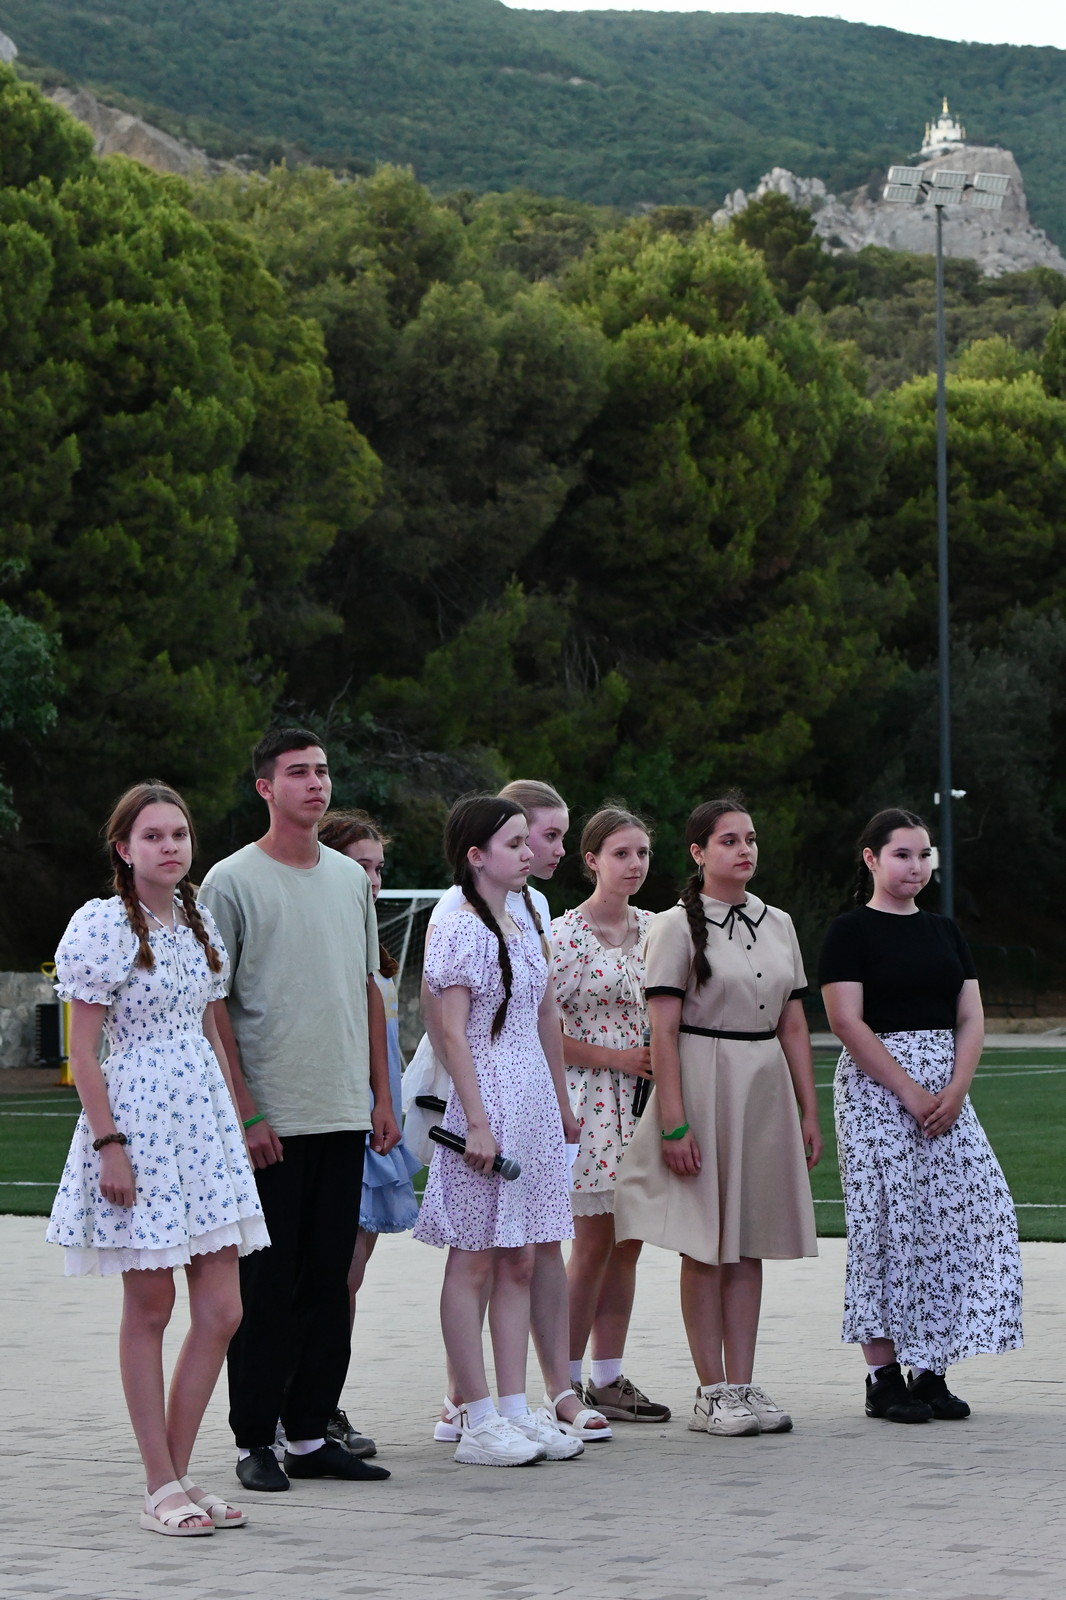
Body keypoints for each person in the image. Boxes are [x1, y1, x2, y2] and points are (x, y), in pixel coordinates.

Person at [46, 782, 269, 1536]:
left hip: (202, 1127)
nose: (169, 846)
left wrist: (235, 1121)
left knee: (224, 1310)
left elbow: (210, 1030)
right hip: (138, 1124)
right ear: (124, 848)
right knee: (150, 1308)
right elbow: (83, 1050)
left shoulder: (198, 919)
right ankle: (159, 1484)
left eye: (178, 834)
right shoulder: (102, 925)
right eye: (152, 836)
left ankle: (174, 1474)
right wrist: (109, 1145)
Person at [199, 729, 397, 1492]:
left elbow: (368, 988)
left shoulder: (349, 879)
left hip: (342, 1110)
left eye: (322, 771)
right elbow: (213, 1006)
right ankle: (257, 1438)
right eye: (298, 773)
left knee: (327, 1281)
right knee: (267, 1285)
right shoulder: (230, 882)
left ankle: (312, 1434)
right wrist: (247, 1111)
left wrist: (380, 1095)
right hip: (272, 1122)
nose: (316, 784)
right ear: (265, 788)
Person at [614, 796, 821, 1437]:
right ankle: (711, 1392)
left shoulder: (779, 922)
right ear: (699, 853)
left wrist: (809, 1109)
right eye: (729, 841)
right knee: (705, 1242)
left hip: (762, 1089)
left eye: (750, 839)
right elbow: (663, 1031)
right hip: (704, 1084)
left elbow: (793, 1023)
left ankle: (743, 1382)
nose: (745, 850)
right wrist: (674, 1123)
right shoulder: (674, 926)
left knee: (748, 1241)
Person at [818, 807, 1023, 1423]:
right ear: (871, 859)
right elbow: (845, 1020)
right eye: (902, 854)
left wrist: (956, 1089)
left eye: (924, 855)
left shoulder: (944, 931)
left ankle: (931, 1367)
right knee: (886, 1224)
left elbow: (971, 1016)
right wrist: (908, 1090)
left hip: (946, 1092)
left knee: (963, 1216)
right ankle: (883, 1377)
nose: (915, 866)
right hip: (878, 1092)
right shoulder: (850, 931)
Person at [422, 779, 610, 1444]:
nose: (532, 852)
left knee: (522, 1258)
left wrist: (559, 1102)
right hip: (487, 1096)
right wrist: (475, 1120)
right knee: (474, 1258)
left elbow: (542, 1011)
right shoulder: (457, 923)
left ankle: (512, 1406)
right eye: (519, 842)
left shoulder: (524, 913)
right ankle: (471, 1414)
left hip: (528, 1095)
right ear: (478, 854)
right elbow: (450, 1032)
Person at [552, 805, 669, 1424]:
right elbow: (540, 1031)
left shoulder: (658, 929)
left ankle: (608, 1377)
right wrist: (615, 1057)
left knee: (629, 1243)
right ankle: (565, 1381)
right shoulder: (563, 935)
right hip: (589, 1099)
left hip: (644, 1101)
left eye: (642, 853)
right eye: (621, 853)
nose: (635, 864)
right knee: (592, 1243)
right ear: (592, 859)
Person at [317, 808, 422, 1454]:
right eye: (363, 867)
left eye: (379, 868)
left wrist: (388, 1104)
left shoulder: (374, 955)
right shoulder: (322, 945)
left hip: (375, 1125)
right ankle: (301, 1405)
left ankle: (322, 1400)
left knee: (348, 1280)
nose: (374, 880)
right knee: (328, 1279)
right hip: (333, 1122)